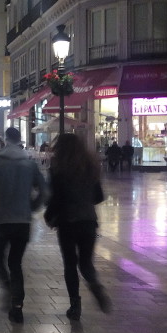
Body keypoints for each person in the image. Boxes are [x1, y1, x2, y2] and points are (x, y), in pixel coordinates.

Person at [0, 127, 48, 324]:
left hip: (2, 220)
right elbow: (44, 190)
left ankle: (9, 288)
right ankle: (17, 307)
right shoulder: (30, 164)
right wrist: (32, 206)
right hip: (23, 222)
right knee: (15, 262)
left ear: (6, 140)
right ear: (20, 141)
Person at [44, 134, 111, 322]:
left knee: (70, 264)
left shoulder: (58, 169)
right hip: (88, 221)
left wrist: (49, 215)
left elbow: (55, 198)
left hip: (67, 222)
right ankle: (95, 284)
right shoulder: (90, 168)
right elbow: (99, 196)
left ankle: (75, 305)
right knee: (86, 263)